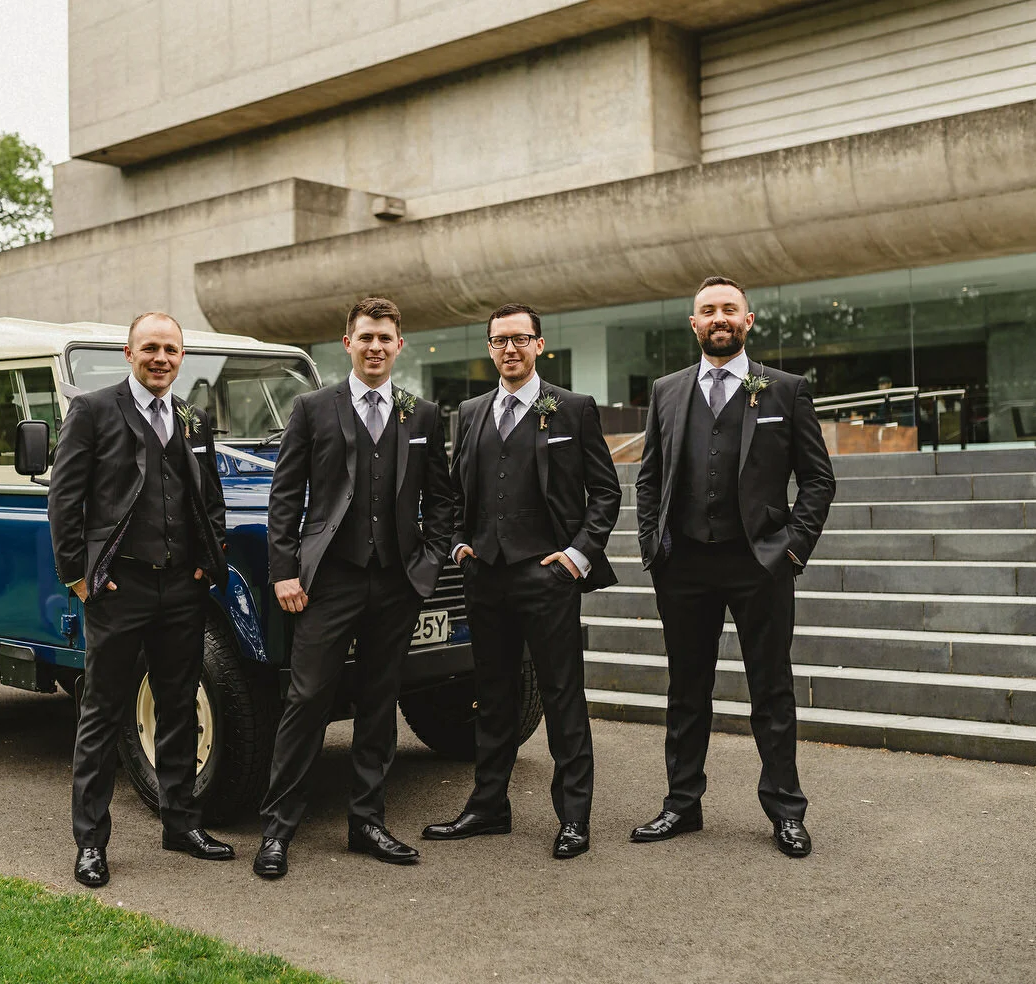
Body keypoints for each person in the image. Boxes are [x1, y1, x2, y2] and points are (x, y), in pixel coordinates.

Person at [631, 276, 835, 858]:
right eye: (707, 311)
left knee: (771, 690)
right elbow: (649, 477)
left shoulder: (785, 389)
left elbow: (818, 479)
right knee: (685, 689)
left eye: (729, 309)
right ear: (693, 324)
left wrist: (792, 548)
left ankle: (785, 810)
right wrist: (654, 546)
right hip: (684, 564)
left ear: (748, 320)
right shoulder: (666, 391)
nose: (718, 317)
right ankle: (681, 804)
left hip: (760, 562)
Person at [254, 296, 453, 880]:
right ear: (348, 343)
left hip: (396, 580)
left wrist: (427, 568)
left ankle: (367, 821)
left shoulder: (422, 413)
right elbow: (285, 497)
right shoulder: (312, 407)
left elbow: (440, 499)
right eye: (365, 336)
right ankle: (278, 829)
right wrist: (284, 571)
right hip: (330, 579)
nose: (375, 346)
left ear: (399, 345)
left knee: (378, 702)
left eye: (385, 338)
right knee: (307, 699)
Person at [422, 303, 621, 860]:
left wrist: (576, 557)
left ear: (539, 345)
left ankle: (574, 817)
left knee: (562, 697)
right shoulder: (470, 411)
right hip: (485, 577)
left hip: (547, 577)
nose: (510, 349)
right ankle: (488, 807)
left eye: (520, 339)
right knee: (493, 696)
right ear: (489, 349)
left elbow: (605, 493)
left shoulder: (573, 409)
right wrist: (460, 543)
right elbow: (456, 489)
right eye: (499, 340)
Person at [48, 311, 232, 889]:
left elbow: (211, 498)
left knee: (178, 707)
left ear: (182, 358)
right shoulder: (95, 410)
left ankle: (181, 823)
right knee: (102, 713)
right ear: (129, 353)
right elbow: (65, 497)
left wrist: (210, 558)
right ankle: (91, 843)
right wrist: (79, 577)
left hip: (182, 586)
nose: (161, 358)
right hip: (117, 587)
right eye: (150, 348)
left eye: (171, 350)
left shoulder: (192, 418)